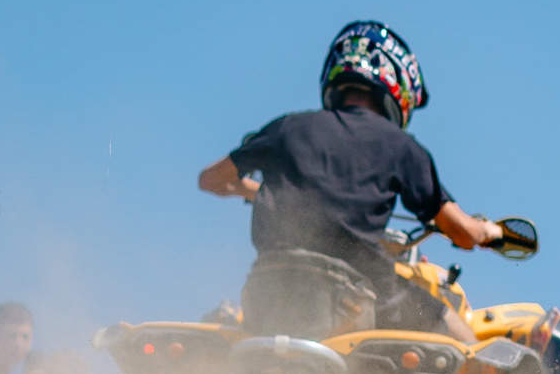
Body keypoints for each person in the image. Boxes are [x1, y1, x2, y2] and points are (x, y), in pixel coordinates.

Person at [198, 20, 508, 342]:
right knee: (463, 338)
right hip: (356, 295)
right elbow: (463, 232)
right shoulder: (401, 148)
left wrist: (257, 191)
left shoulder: (287, 128)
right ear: (398, 85)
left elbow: (211, 180)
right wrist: (492, 231)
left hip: (267, 290)